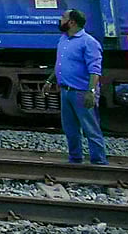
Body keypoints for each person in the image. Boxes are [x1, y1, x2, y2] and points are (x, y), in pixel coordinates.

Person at [43, 10, 108, 165]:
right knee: (70, 129)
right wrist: (49, 80)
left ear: (72, 22)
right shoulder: (63, 39)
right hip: (66, 91)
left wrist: (91, 91)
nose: (60, 20)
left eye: (63, 18)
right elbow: (60, 64)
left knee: (90, 128)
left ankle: (99, 162)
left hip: (81, 92)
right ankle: (75, 160)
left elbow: (94, 70)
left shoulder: (89, 42)